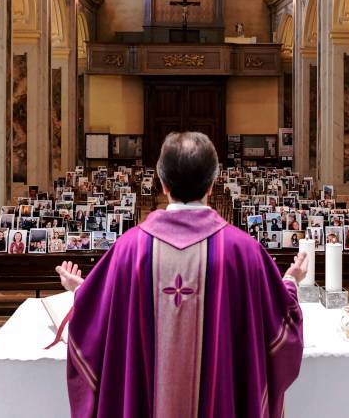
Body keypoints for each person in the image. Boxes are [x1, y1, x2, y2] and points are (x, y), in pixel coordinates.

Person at [56, 131, 307, 417]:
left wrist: (81, 290)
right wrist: (290, 280)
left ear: (162, 183)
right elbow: (281, 325)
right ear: (213, 183)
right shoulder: (245, 252)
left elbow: (95, 318)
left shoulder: (128, 250)